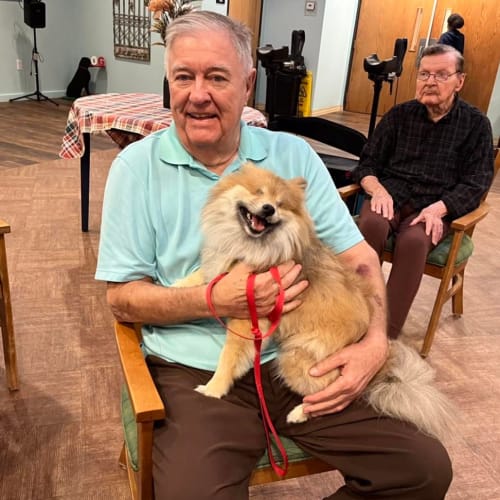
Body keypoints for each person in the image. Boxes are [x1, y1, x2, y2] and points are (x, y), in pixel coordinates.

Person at [96, 11, 452, 499]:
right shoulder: (135, 169)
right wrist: (221, 300)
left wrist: (374, 343)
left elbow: (360, 258)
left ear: (247, 85)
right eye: (184, 76)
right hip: (196, 368)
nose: (197, 93)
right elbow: (123, 300)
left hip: (301, 354)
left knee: (423, 470)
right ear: (169, 83)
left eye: (216, 77)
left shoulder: (292, 156)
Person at [353, 43, 494, 340]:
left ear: (460, 81)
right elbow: (368, 163)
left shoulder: (475, 125)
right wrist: (377, 190)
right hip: (390, 194)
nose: (430, 81)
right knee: (370, 225)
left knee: (414, 242)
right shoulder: (399, 115)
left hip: (435, 205)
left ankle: (384, 335)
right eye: (424, 74)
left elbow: (477, 181)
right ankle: (351, 317)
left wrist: (440, 208)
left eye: (441, 75)